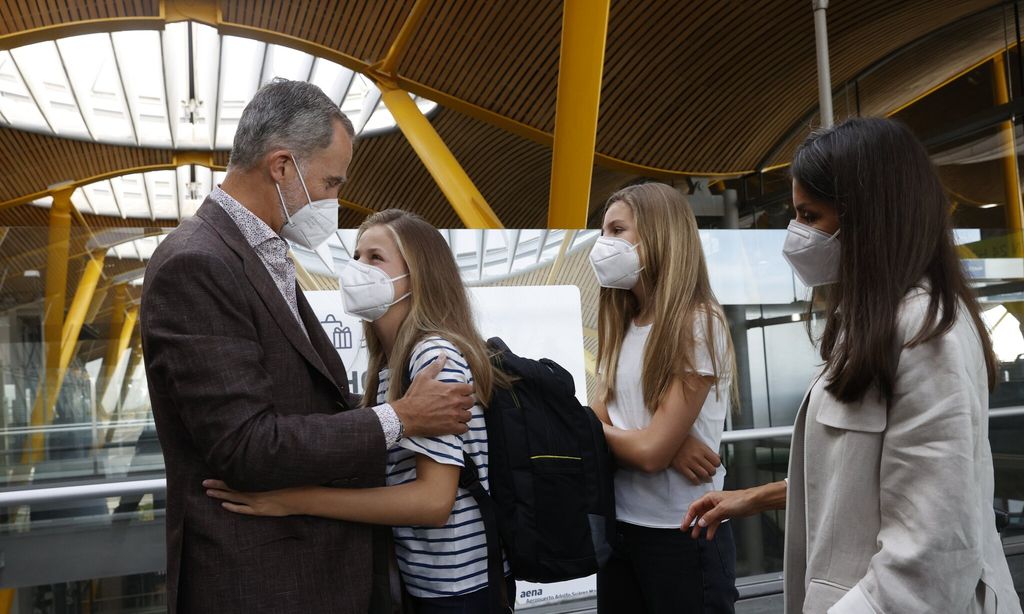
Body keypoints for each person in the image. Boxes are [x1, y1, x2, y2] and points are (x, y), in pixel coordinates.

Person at [140, 81, 475, 614]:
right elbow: (246, 445)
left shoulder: (258, 253)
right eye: (330, 181)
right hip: (263, 578)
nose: (332, 200)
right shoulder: (198, 262)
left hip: (304, 570)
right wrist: (399, 418)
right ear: (281, 167)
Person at [683, 117, 1023, 614]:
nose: (794, 236)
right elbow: (864, 481)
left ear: (870, 217)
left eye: (809, 215)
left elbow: (928, 560)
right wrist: (753, 498)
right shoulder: (882, 324)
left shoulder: (927, 336)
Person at [203, 209, 515, 612]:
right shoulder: (389, 365)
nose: (356, 269)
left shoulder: (433, 356)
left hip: (459, 587)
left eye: (375, 258)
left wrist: (294, 499)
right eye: (356, 256)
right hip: (425, 580)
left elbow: (433, 502)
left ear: (418, 276)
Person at [588, 182, 739, 613]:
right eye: (604, 232)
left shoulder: (697, 322)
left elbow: (649, 450)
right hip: (622, 529)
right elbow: (598, 417)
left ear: (659, 234)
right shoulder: (623, 322)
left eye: (617, 230)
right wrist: (661, 441)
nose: (605, 244)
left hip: (685, 533)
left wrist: (657, 442)